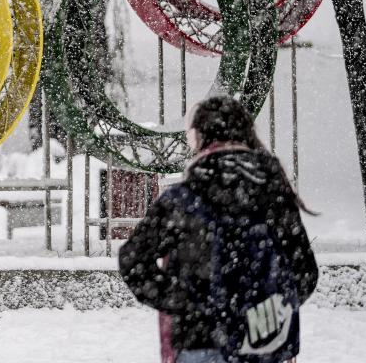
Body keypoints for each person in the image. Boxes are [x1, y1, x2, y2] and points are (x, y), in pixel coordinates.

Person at [118, 94, 318, 363]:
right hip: (265, 344)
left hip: (199, 341)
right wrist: (267, 307)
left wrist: (185, 303)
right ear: (247, 134)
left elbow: (133, 259)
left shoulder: (183, 199)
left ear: (199, 138)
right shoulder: (274, 194)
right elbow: (304, 271)